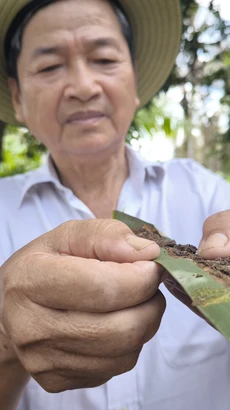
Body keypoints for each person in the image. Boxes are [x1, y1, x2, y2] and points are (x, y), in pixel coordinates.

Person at [0, 0, 230, 409]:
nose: (84, 87)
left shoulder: (204, 190)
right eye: (50, 67)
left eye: (104, 58)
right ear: (18, 97)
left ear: (134, 78)